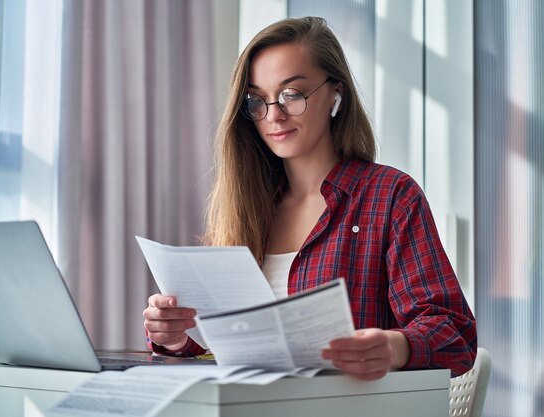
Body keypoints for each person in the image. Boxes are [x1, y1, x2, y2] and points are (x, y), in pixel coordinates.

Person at [142, 16, 477, 381]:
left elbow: (457, 336)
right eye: (257, 100)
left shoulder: (391, 196)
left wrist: (394, 347)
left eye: (292, 94)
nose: (274, 115)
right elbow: (233, 359)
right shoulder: (247, 209)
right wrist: (176, 341)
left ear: (336, 93)